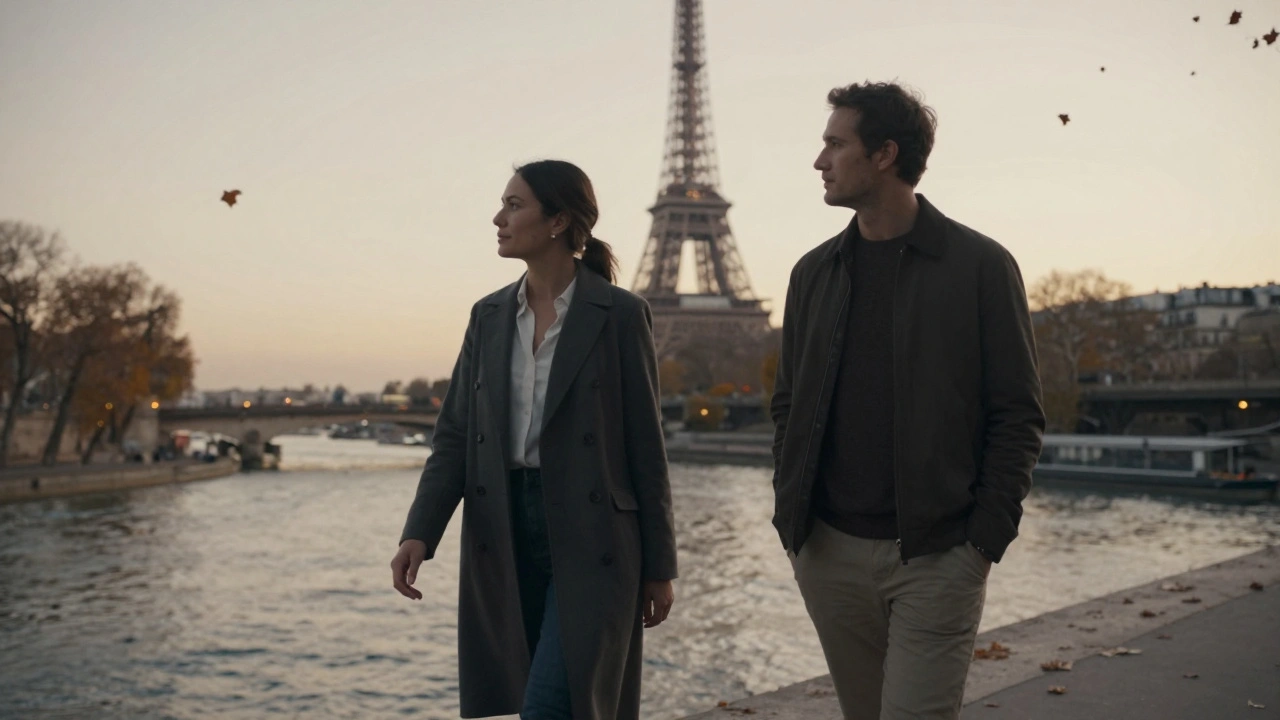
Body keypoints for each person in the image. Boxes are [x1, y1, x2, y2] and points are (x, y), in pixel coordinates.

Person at [770, 82, 1046, 720]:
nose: (820, 160)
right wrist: (795, 523)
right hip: (828, 552)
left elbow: (1018, 413)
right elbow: (788, 403)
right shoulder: (812, 274)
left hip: (937, 554)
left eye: (836, 144)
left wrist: (980, 543)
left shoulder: (980, 265)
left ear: (885, 154)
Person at [390, 159, 678, 720]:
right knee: (540, 695)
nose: (498, 218)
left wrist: (660, 564)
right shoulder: (489, 315)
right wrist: (419, 533)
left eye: (514, 205)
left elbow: (646, 444)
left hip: (592, 532)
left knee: (551, 703)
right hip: (502, 528)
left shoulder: (619, 314)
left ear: (557, 221)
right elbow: (454, 436)